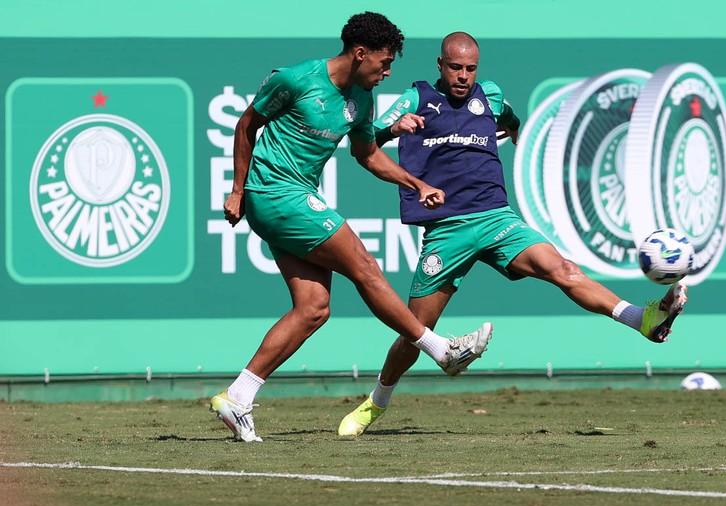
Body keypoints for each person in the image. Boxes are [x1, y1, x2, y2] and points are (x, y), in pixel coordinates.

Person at [337, 32, 687, 437]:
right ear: (439, 65)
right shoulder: (415, 98)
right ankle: (375, 403)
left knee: (563, 269)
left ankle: (643, 321)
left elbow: (507, 116)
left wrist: (515, 131)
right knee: (415, 332)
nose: (464, 76)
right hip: (447, 231)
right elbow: (364, 140)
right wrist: (394, 128)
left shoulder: (489, 95)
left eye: (470, 69)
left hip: (497, 219)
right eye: (455, 68)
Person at [210, 14, 493, 443]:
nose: (388, 72)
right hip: (273, 193)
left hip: (297, 196)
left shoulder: (362, 98)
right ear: (359, 54)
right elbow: (247, 125)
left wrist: (415, 183)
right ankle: (441, 350)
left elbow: (367, 154)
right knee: (364, 265)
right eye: (383, 63)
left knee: (313, 309)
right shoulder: (296, 78)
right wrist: (236, 189)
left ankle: (238, 397)